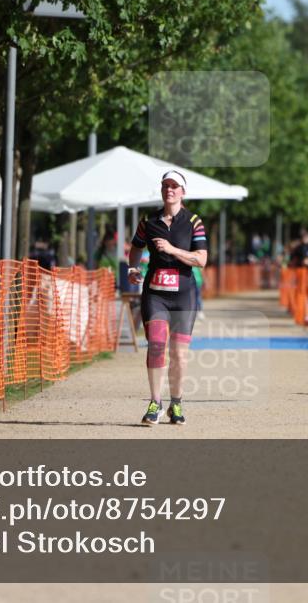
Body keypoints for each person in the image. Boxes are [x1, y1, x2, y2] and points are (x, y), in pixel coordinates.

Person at [128, 170, 207, 426]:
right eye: (165, 186)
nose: (169, 190)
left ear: (183, 192)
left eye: (174, 186)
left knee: (179, 354)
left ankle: (176, 403)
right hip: (155, 294)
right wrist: (132, 267)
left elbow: (202, 260)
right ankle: (154, 402)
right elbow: (136, 246)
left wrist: (173, 249)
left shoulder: (194, 221)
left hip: (184, 295)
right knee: (157, 346)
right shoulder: (148, 221)